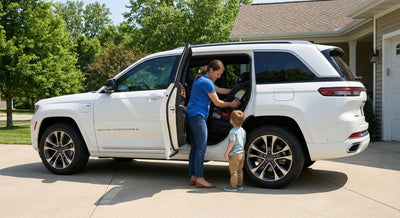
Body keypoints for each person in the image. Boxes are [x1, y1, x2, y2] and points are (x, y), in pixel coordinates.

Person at [187, 59, 241, 188]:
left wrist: (235, 90)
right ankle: (200, 179)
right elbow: (218, 102)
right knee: (201, 148)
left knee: (195, 148)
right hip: (198, 116)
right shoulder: (206, 82)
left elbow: (220, 90)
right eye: (218, 73)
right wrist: (232, 104)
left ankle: (194, 177)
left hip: (192, 116)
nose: (219, 76)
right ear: (211, 70)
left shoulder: (201, 80)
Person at [223, 110, 246, 192]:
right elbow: (244, 141)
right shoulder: (243, 131)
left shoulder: (232, 131)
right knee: (240, 170)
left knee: (233, 171)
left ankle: (233, 186)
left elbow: (232, 142)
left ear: (232, 121)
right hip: (242, 153)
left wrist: (226, 153)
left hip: (234, 154)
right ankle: (240, 185)